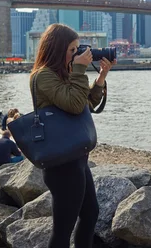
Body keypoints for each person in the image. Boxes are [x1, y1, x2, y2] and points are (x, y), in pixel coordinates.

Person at [31, 23, 115, 248]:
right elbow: (76, 105)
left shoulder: (64, 73)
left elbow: (86, 103)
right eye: (73, 49)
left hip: (76, 157)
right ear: (58, 49)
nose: (77, 53)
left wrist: (101, 77)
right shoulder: (43, 77)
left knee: (90, 214)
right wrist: (79, 70)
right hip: (62, 164)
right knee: (63, 229)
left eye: (79, 49)